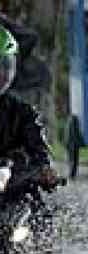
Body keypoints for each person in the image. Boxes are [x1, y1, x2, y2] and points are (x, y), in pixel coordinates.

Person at [0, 25, 56, 186]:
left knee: (37, 202)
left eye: (5, 66)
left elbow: (39, 149)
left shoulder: (22, 112)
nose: (2, 75)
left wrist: (45, 170)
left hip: (11, 187)